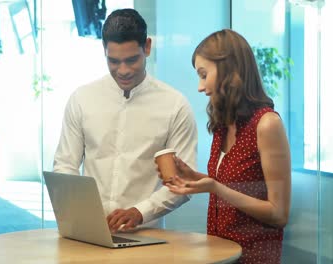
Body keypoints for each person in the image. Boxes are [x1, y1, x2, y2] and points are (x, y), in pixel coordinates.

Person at [53, 8, 198, 233]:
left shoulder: (175, 105)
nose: (123, 70)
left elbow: (183, 181)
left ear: (147, 47)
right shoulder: (82, 99)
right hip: (89, 232)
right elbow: (65, 166)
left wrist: (141, 212)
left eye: (132, 60)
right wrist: (81, 213)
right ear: (104, 51)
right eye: (113, 61)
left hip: (147, 235)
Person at [159, 29, 291, 264]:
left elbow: (279, 214)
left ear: (229, 70)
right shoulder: (224, 124)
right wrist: (194, 177)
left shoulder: (267, 124)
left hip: (254, 257)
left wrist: (215, 188)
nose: (200, 87)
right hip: (221, 256)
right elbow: (234, 187)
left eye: (203, 74)